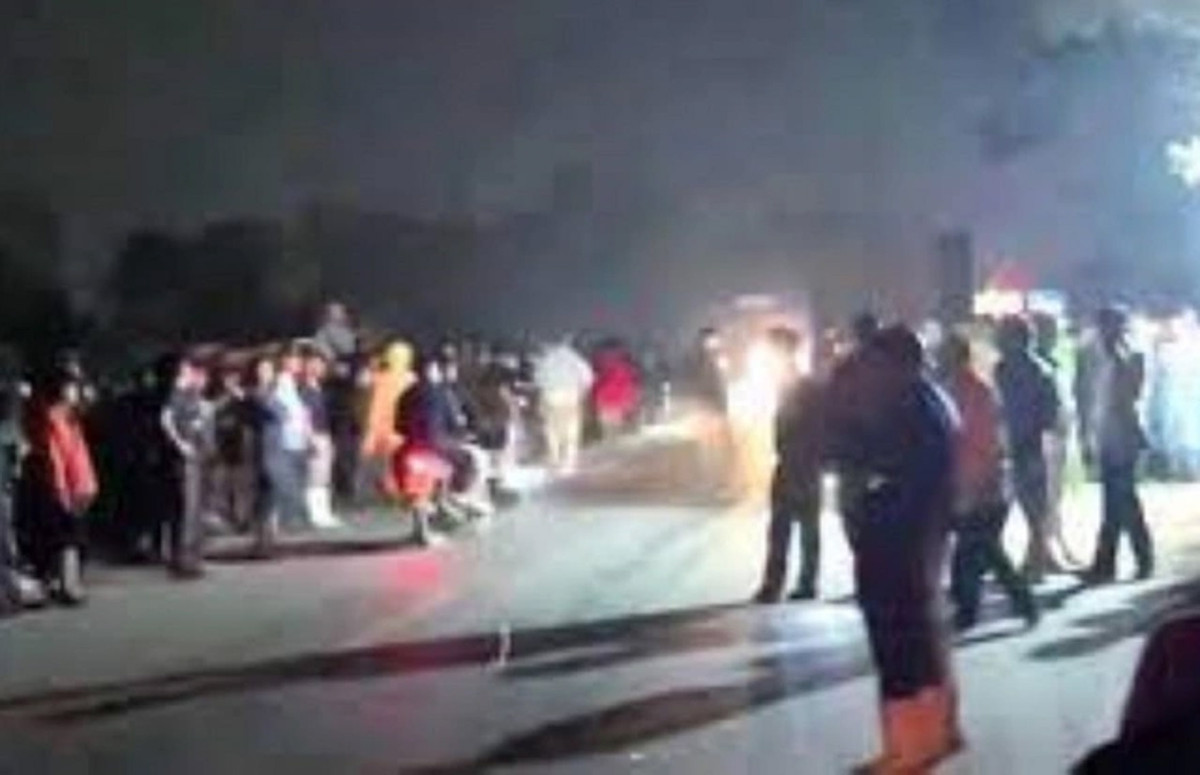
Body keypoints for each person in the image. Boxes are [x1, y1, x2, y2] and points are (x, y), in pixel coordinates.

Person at [827, 326, 962, 773]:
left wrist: (872, 503)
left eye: (875, 363)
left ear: (896, 364)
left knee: (899, 646)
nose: (870, 372)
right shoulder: (928, 401)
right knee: (917, 641)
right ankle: (930, 737)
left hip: (898, 543)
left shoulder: (912, 407)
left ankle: (909, 749)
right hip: (910, 540)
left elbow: (903, 478)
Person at [938, 333, 1039, 632]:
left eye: (943, 355)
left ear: (956, 358)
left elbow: (981, 443)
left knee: (976, 550)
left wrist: (974, 486)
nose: (938, 360)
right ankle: (1016, 604)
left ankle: (973, 610)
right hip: (973, 482)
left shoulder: (972, 392)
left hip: (978, 484)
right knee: (982, 550)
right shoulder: (962, 389)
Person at [753, 327, 826, 603]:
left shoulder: (802, 386)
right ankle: (790, 583)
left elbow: (809, 427)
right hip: (795, 462)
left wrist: (804, 455)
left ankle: (789, 583)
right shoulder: (792, 383)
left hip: (801, 463)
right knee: (790, 526)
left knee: (795, 526)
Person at [1083, 306, 1154, 584]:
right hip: (1110, 437)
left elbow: (1128, 396)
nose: (1100, 333)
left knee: (1121, 502)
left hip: (1122, 439)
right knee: (1119, 503)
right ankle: (1117, 562)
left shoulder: (1129, 357)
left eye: (1105, 327)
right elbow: (1097, 401)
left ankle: (1113, 563)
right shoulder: (1103, 358)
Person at [15, 366, 97, 605]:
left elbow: (79, 456)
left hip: (78, 487)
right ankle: (66, 585)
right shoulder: (50, 419)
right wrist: (61, 490)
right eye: (71, 387)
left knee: (72, 536)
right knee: (66, 537)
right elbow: (55, 459)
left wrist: (87, 486)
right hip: (60, 488)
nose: (75, 391)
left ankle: (63, 583)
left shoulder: (70, 417)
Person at [993, 315, 1063, 583]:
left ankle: (1034, 564)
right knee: (1025, 509)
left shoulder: (1030, 370)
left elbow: (1048, 414)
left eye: (1003, 336)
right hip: (1019, 445)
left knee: (1030, 509)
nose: (998, 341)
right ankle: (1034, 563)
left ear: (1017, 339)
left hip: (1027, 446)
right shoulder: (1018, 369)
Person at [160, 357, 213, 578]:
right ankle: (185, 561)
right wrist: (181, 445)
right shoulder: (177, 394)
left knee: (193, 509)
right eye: (190, 371)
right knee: (187, 510)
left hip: (197, 456)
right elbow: (166, 420)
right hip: (187, 460)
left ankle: (190, 559)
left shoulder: (191, 395)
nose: (194, 376)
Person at [210, 364, 266, 535]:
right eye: (228, 378)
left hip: (243, 448)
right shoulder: (217, 398)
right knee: (222, 486)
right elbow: (211, 417)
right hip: (223, 449)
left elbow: (257, 418)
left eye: (234, 377)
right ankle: (227, 518)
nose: (231, 381)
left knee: (243, 486)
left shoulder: (247, 397)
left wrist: (243, 398)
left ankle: (243, 521)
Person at [264, 346, 313, 531]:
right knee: (285, 485)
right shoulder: (277, 383)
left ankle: (291, 520)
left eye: (299, 359)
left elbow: (303, 412)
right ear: (284, 361)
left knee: (297, 483)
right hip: (282, 442)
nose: (298, 362)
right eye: (293, 359)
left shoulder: (298, 384)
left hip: (298, 441)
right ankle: (280, 521)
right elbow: (276, 408)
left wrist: (308, 435)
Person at [361, 340, 416, 500]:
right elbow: (377, 407)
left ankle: (395, 490)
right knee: (392, 463)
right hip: (397, 429)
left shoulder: (384, 379)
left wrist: (371, 432)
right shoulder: (408, 379)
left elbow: (376, 408)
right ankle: (397, 490)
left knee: (389, 463)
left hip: (393, 429)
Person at [534, 336, 594, 474]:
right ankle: (569, 463)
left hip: (550, 395)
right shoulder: (575, 359)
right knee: (571, 429)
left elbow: (537, 379)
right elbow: (588, 378)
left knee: (552, 428)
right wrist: (581, 392)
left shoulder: (546, 359)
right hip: (570, 395)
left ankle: (554, 459)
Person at [300, 348, 342, 529]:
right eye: (314, 364)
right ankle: (316, 515)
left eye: (321, 364)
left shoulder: (318, 388)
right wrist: (310, 438)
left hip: (323, 435)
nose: (319, 368)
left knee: (323, 477)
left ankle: (323, 512)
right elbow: (304, 416)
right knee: (315, 478)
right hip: (315, 436)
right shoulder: (305, 390)